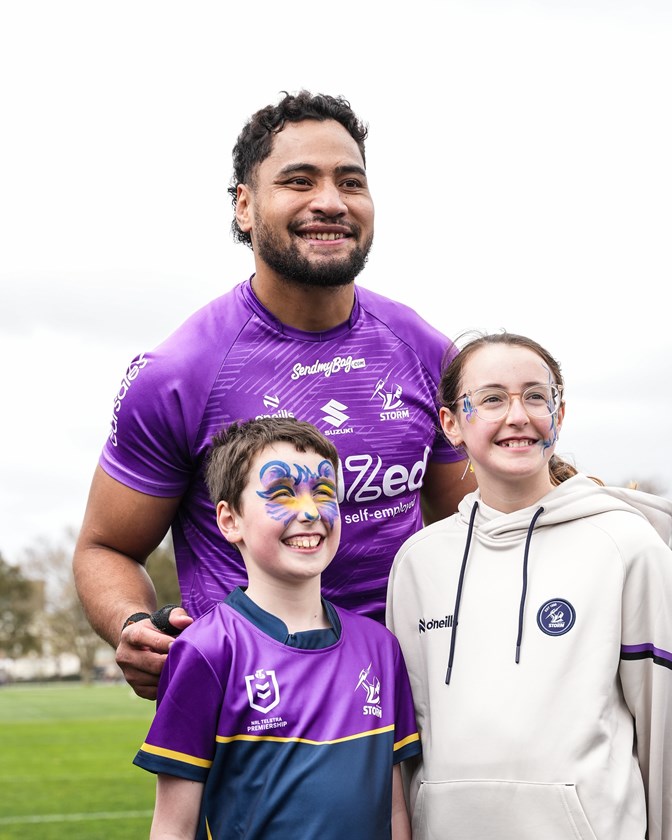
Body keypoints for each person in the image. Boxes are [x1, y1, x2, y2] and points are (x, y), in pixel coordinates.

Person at [72, 89, 475, 700]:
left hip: (416, 701)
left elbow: (471, 524)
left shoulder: (425, 350)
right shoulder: (181, 372)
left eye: (351, 181)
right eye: (298, 180)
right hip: (257, 715)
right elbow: (105, 548)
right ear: (244, 207)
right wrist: (132, 625)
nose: (331, 202)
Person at [386, 331, 672, 840]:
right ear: (451, 424)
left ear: (558, 416)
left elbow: (663, 731)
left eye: (536, 396)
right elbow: (414, 737)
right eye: (492, 399)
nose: (518, 416)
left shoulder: (627, 546)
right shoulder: (417, 562)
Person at [134, 417, 420, 840]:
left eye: (324, 492)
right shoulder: (207, 650)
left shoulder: (380, 647)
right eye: (283, 495)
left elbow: (395, 812)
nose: (310, 512)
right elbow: (173, 828)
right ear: (230, 521)